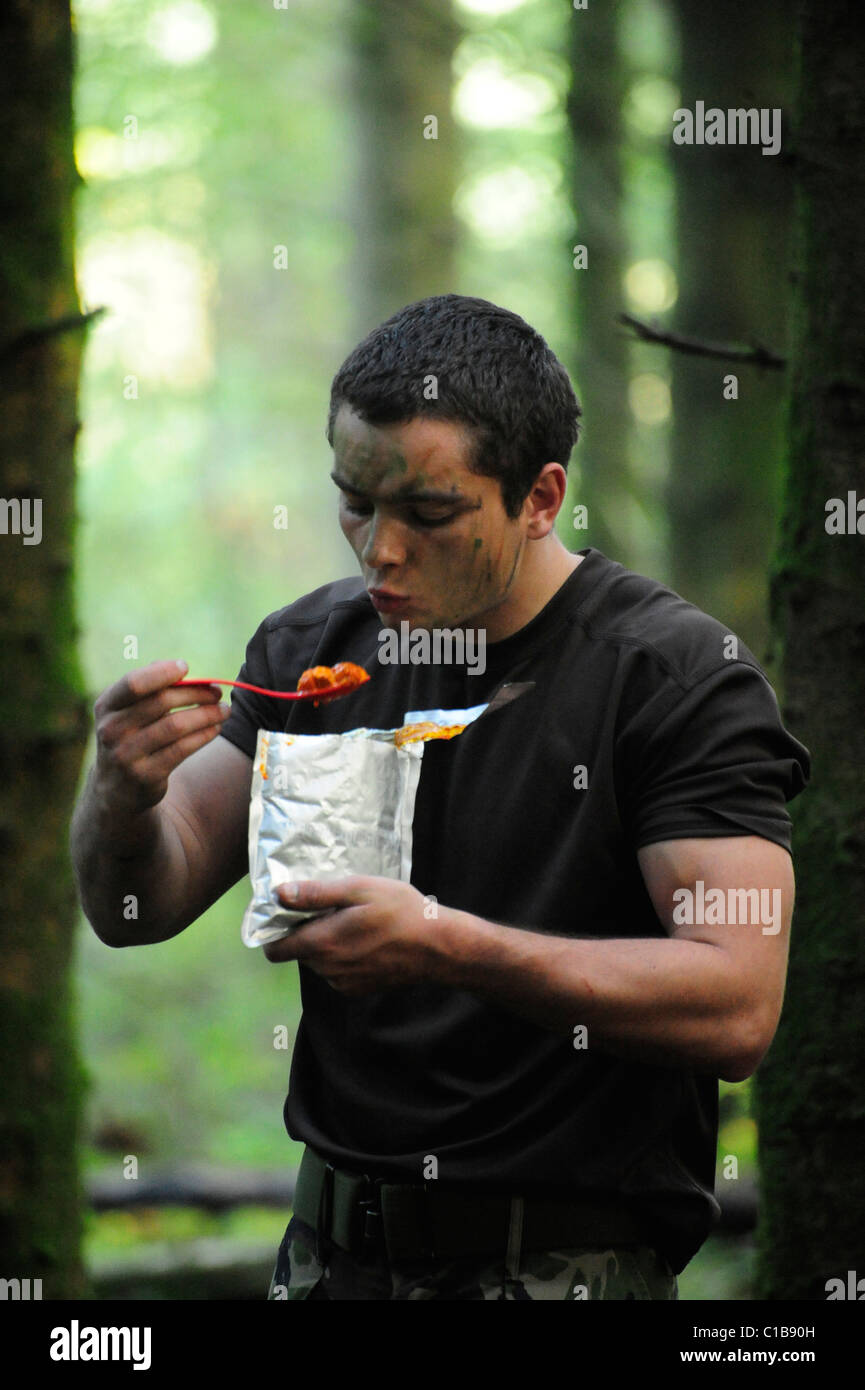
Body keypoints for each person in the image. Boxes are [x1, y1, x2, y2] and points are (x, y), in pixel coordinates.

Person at [71, 294, 810, 1301]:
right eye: (354, 502)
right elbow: (138, 904)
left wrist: (446, 945)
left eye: (427, 514)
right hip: (328, 1259)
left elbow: (736, 1005)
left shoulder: (674, 679)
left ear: (540, 498)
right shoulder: (312, 650)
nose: (378, 550)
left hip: (559, 1266)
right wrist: (119, 790)